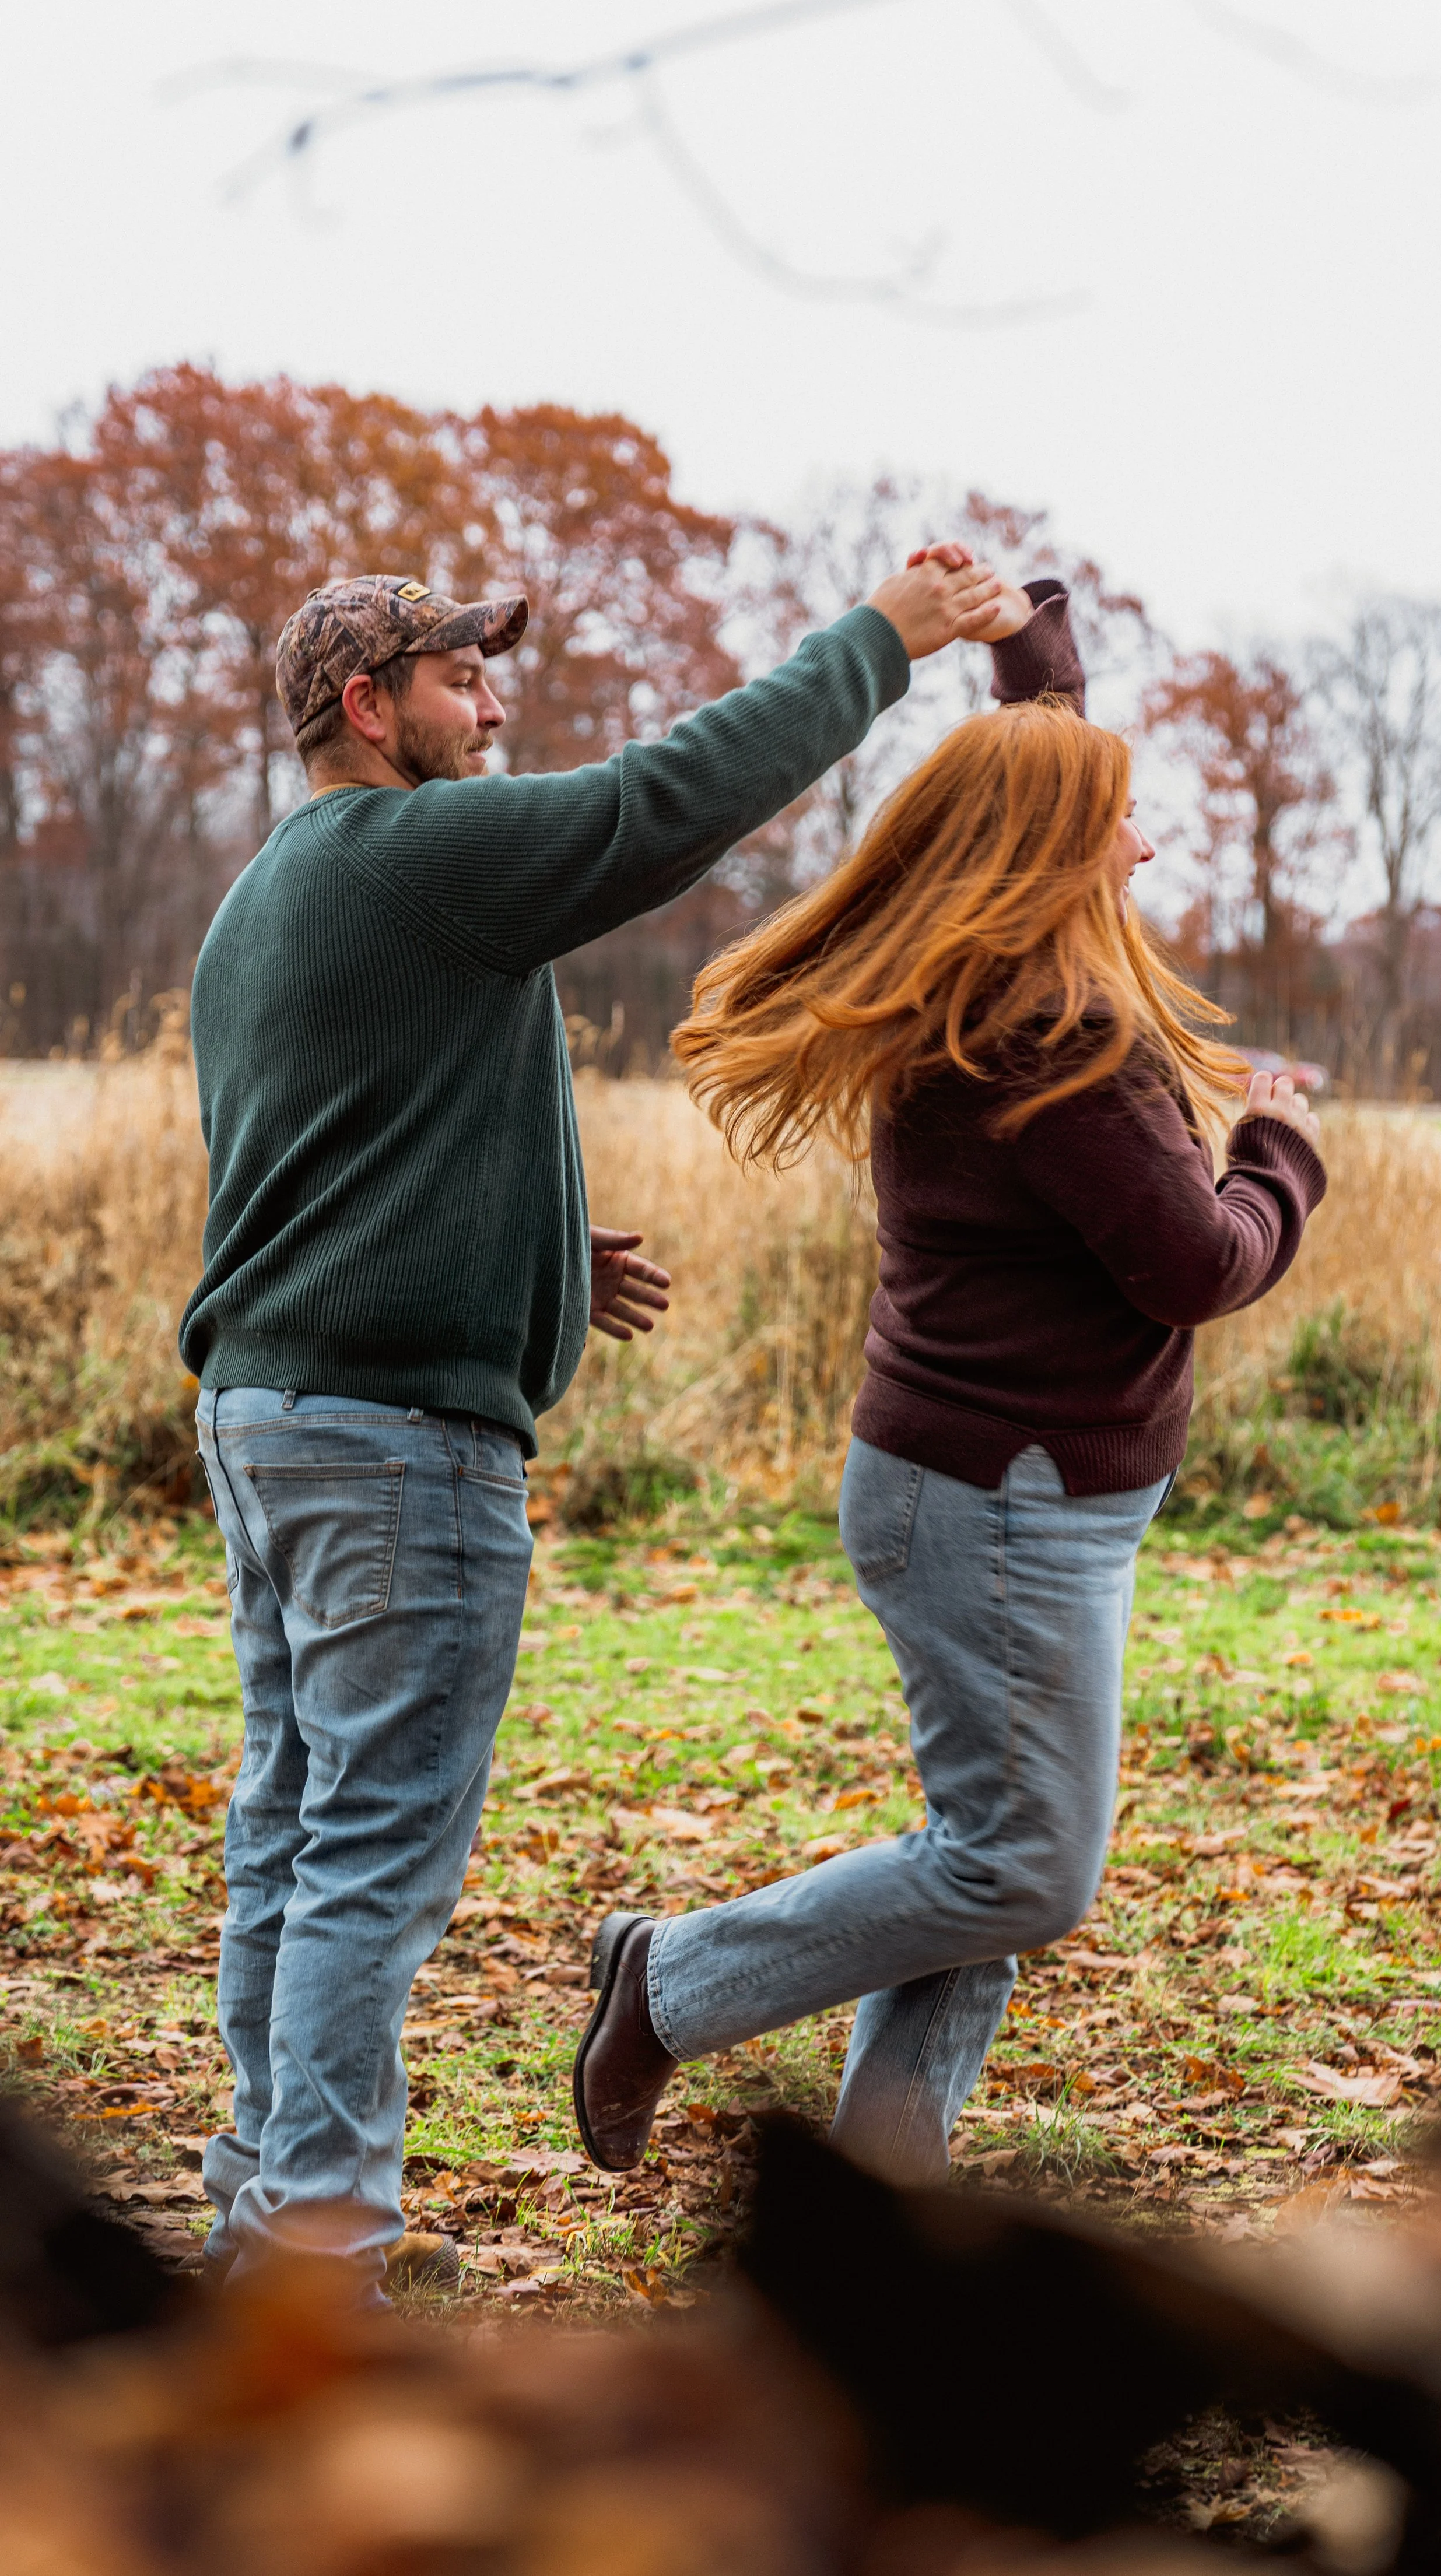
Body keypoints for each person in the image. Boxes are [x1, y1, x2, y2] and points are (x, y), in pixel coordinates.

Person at [181, 547, 1022, 2299]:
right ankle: (319, 2250)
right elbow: (665, 804)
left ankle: (265, 2199)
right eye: (460, 680)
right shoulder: (418, 853)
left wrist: (544, 1256)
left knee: (290, 1826)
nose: (492, 707)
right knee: (370, 1856)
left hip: (271, 1421)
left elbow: (322, 1154)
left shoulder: (266, 896)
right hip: (397, 1447)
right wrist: (885, 641)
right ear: (367, 705)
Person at [572, 587, 1327, 2186]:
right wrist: (1278, 1150)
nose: (1140, 850)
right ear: (1054, 849)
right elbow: (1198, 1266)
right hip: (1004, 1502)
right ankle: (670, 1980)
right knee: (1023, 1871)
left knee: (978, 1858)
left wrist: (1031, 664)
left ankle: (879, 2199)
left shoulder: (995, 979)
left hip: (1000, 1491)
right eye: (1119, 826)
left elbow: (1033, 767)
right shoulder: (1053, 1030)